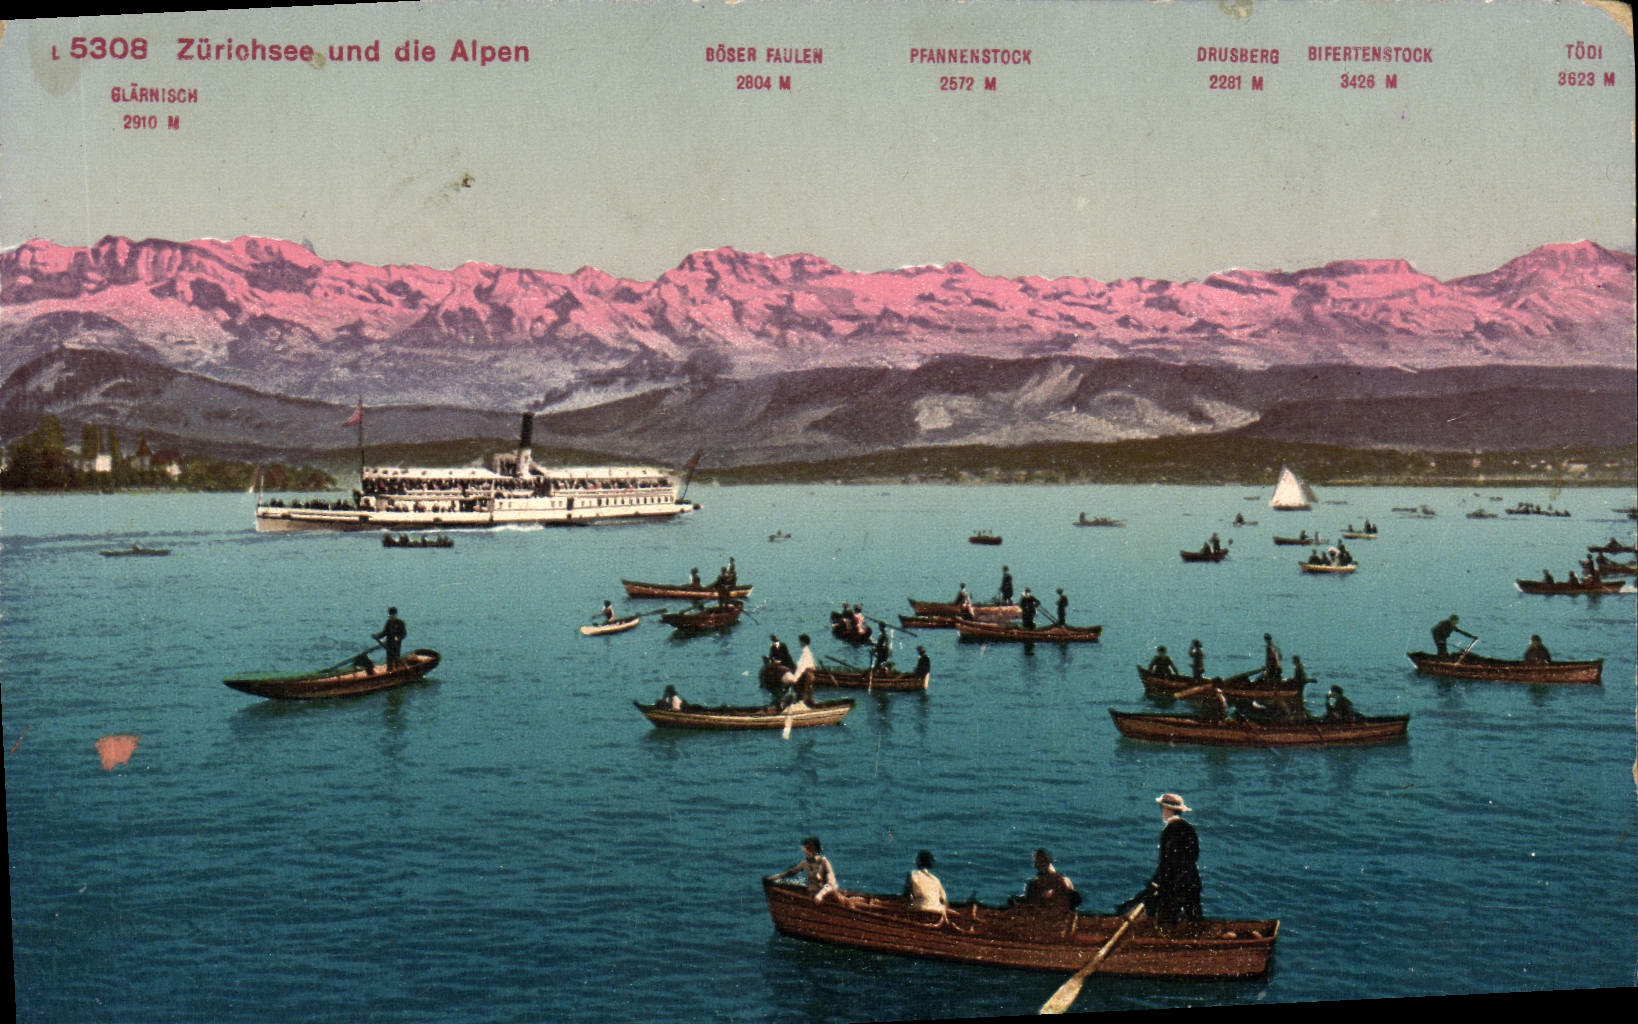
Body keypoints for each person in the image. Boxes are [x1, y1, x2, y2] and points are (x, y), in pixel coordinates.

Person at [1122, 793, 1202, 930]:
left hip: (1174, 882)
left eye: (1162, 808)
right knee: (1193, 918)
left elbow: (1168, 860)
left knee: (1167, 919)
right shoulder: (1189, 829)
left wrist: (1157, 881)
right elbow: (1193, 855)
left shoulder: (1170, 830)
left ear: (1167, 810)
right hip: (1192, 879)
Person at [767, 837, 850, 906]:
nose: (804, 851)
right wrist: (775, 878)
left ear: (813, 850)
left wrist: (821, 894)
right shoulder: (805, 863)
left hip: (827, 898)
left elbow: (831, 883)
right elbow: (791, 872)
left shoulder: (823, 862)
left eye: (806, 849)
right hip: (813, 896)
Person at [1012, 848, 1078, 910]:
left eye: (1038, 862)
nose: (1035, 865)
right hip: (1062, 913)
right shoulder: (1066, 881)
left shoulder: (1034, 884)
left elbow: (1030, 902)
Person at [903, 850, 949, 916]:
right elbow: (944, 900)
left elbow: (906, 895)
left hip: (921, 909)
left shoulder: (913, 875)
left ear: (919, 861)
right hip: (938, 911)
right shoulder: (935, 880)